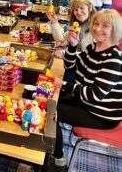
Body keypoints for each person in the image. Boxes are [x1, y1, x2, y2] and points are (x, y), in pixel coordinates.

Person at [49, 9, 122, 170]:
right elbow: (70, 65)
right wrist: (73, 46)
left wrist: (64, 85)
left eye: (105, 26)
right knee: (49, 99)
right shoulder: (94, 47)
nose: (97, 28)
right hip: (86, 103)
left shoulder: (113, 59)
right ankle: (49, 145)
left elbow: (95, 95)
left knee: (49, 112)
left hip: (100, 115)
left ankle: (58, 158)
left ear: (115, 30)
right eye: (96, 23)